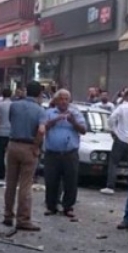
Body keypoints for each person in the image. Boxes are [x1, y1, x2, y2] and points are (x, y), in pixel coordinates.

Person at [4, 81, 46, 231]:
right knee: (25, 185)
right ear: (40, 93)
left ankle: (8, 215)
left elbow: (11, 120)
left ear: (26, 91)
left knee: (10, 182)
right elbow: (41, 130)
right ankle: (23, 219)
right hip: (29, 147)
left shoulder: (14, 105)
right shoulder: (40, 110)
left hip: (13, 144)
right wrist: (36, 146)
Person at [43, 89, 86, 218]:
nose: (63, 102)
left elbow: (83, 130)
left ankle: (68, 207)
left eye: (66, 99)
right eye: (61, 99)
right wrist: (56, 120)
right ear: (56, 100)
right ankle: (51, 206)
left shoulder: (76, 113)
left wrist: (73, 122)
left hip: (70, 153)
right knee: (51, 181)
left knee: (71, 181)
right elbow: (42, 128)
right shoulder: (49, 113)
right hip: (52, 153)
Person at [102, 88, 128, 196]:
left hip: (120, 138)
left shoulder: (122, 107)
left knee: (114, 163)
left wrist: (114, 130)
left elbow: (111, 119)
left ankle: (110, 186)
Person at [0, 87, 13, 181]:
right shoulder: (13, 105)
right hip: (11, 132)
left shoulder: (0, 105)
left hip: (1, 131)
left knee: (0, 154)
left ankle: (1, 173)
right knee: (11, 155)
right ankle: (11, 174)